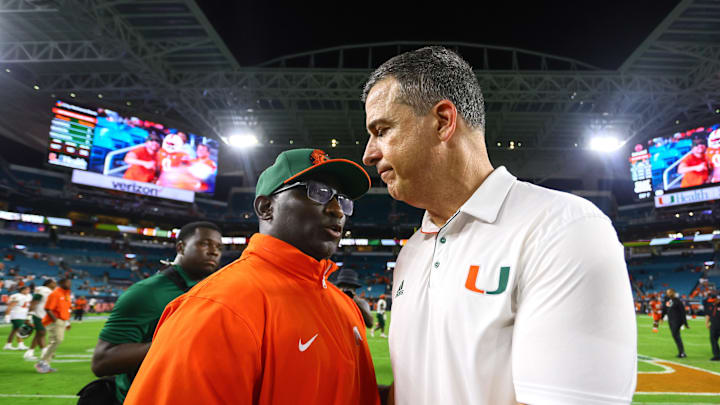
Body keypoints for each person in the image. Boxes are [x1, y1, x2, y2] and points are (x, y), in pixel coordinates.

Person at [361, 46, 636, 404]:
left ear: (443, 121)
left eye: (382, 130)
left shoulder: (563, 229)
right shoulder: (412, 252)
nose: (369, 153)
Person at [124, 148, 380, 405]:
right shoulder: (216, 308)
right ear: (266, 207)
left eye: (343, 200)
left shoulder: (345, 306)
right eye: (318, 192)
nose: (337, 210)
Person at [88, 221, 222, 404]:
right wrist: (175, 343)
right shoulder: (147, 292)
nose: (214, 251)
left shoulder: (214, 289)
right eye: (204, 243)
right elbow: (102, 361)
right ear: (181, 247)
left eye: (219, 247)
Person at [36, 278, 72, 373]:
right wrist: (55, 320)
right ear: (61, 283)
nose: (69, 283)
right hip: (55, 321)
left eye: (69, 282)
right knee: (57, 340)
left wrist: (67, 322)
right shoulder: (55, 293)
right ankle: (42, 363)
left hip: (62, 320)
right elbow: (48, 308)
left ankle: (45, 363)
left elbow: (66, 309)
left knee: (55, 341)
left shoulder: (67, 294)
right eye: (67, 282)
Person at [24, 279, 57, 361]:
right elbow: (34, 302)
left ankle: (29, 352)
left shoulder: (52, 291)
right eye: (54, 283)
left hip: (45, 315)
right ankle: (44, 352)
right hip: (38, 314)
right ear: (48, 283)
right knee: (42, 332)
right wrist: (29, 316)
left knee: (39, 333)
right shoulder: (42, 289)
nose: (55, 284)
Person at [3, 285, 32, 351]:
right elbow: (10, 306)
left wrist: (28, 315)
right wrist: (7, 315)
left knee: (14, 331)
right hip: (16, 315)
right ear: (22, 290)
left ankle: (8, 345)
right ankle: (20, 345)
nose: (29, 291)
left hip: (23, 315)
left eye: (29, 289)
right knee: (21, 329)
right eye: (27, 289)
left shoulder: (29, 296)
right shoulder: (17, 296)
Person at [663, 288, 689, 358]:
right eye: (667, 292)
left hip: (677, 321)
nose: (668, 294)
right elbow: (665, 309)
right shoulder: (669, 301)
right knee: (675, 336)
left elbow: (683, 312)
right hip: (671, 321)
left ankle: (682, 352)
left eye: (669, 292)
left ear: (673, 293)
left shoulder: (678, 301)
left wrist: (685, 323)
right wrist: (661, 317)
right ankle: (681, 352)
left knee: (676, 335)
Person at [705, 291, 720, 361]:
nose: (712, 302)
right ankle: (717, 355)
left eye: (713, 301)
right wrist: (707, 323)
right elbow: (708, 314)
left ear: (718, 299)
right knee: (713, 340)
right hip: (713, 325)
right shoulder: (710, 305)